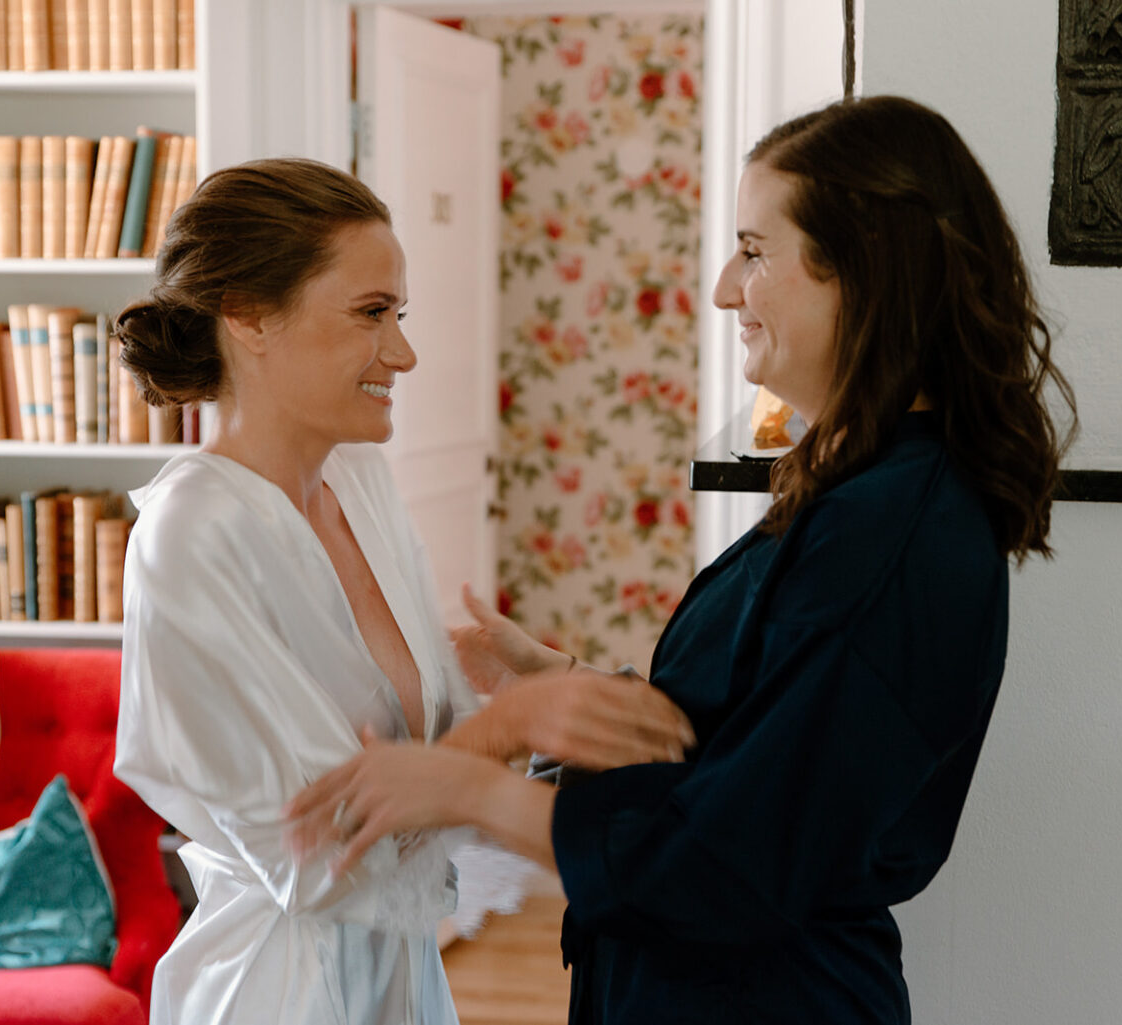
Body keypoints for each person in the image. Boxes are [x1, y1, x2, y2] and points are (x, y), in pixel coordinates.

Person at [289, 94, 1078, 1025]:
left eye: (753, 251)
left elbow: (727, 858)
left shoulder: (890, 536)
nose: (724, 290)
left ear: (865, 269)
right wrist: (574, 689)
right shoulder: (866, 489)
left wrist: (469, 783)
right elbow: (764, 735)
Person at [110, 157, 694, 1025]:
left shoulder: (360, 483)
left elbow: (429, 770)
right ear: (248, 315)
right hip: (283, 992)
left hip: (403, 977)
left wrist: (531, 700)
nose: (404, 352)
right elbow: (311, 853)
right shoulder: (190, 537)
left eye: (401, 314)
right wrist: (509, 725)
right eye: (371, 313)